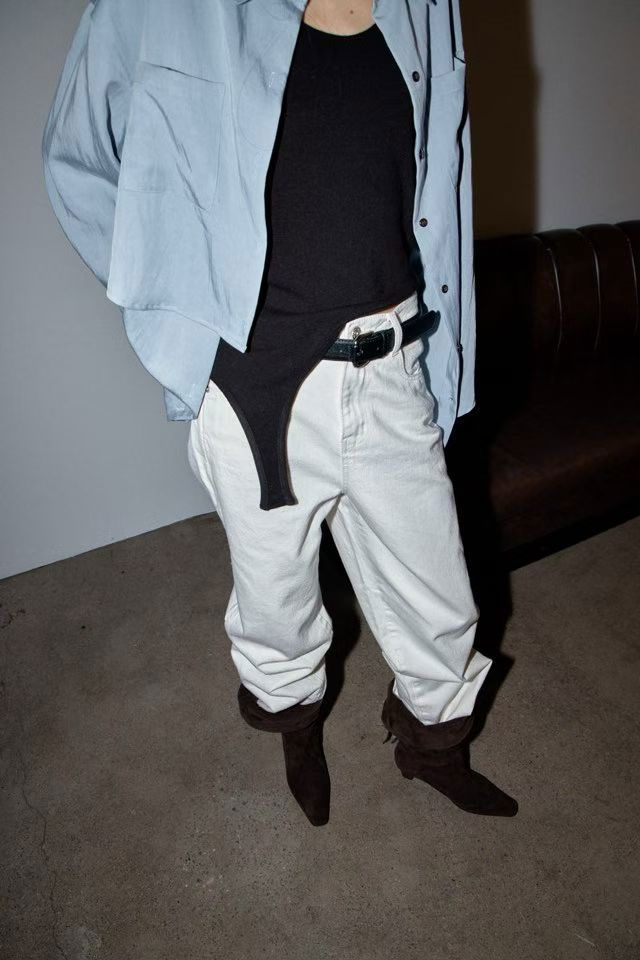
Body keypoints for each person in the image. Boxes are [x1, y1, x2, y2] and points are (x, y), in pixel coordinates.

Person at [42, 0, 518, 826]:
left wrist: (447, 353)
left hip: (394, 358)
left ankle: (434, 746)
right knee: (276, 603)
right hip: (255, 384)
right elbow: (75, 158)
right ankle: (298, 733)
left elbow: (445, 175)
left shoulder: (429, 6)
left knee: (441, 597)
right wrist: (172, 303)